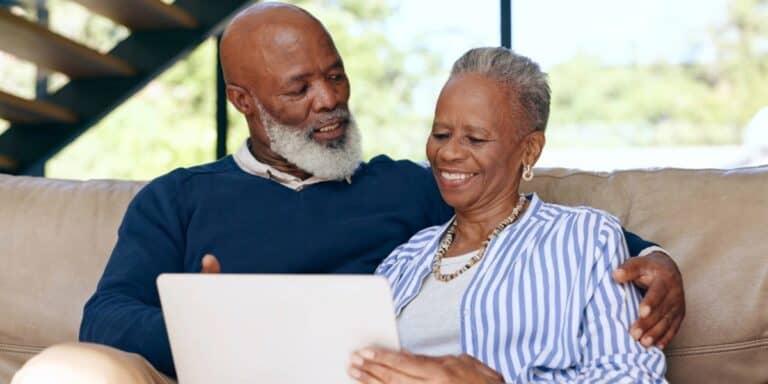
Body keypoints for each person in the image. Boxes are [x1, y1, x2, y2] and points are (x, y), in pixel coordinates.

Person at [11, 3, 683, 384]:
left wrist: (654, 255)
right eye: (299, 89)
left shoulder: (405, 189)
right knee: (63, 371)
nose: (329, 100)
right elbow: (107, 318)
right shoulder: (178, 199)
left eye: (334, 76)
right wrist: (225, 328)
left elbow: (518, 218)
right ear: (243, 101)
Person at [349, 47, 667, 383]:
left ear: (530, 150)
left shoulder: (585, 238)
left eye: (475, 139)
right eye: (440, 134)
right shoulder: (405, 258)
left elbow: (633, 376)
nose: (449, 152)